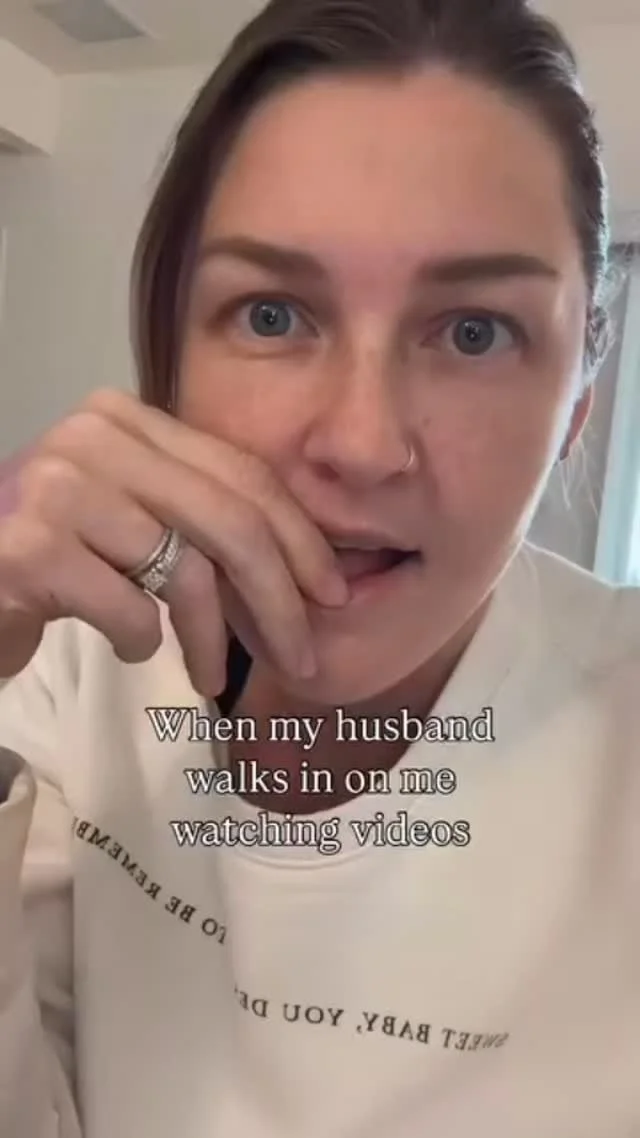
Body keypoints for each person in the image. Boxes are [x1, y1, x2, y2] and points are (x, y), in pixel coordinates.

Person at [0, 0, 638, 1133]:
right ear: (166, 358)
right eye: (272, 314)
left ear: (577, 405)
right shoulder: (67, 664)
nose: (360, 442)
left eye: (475, 331)